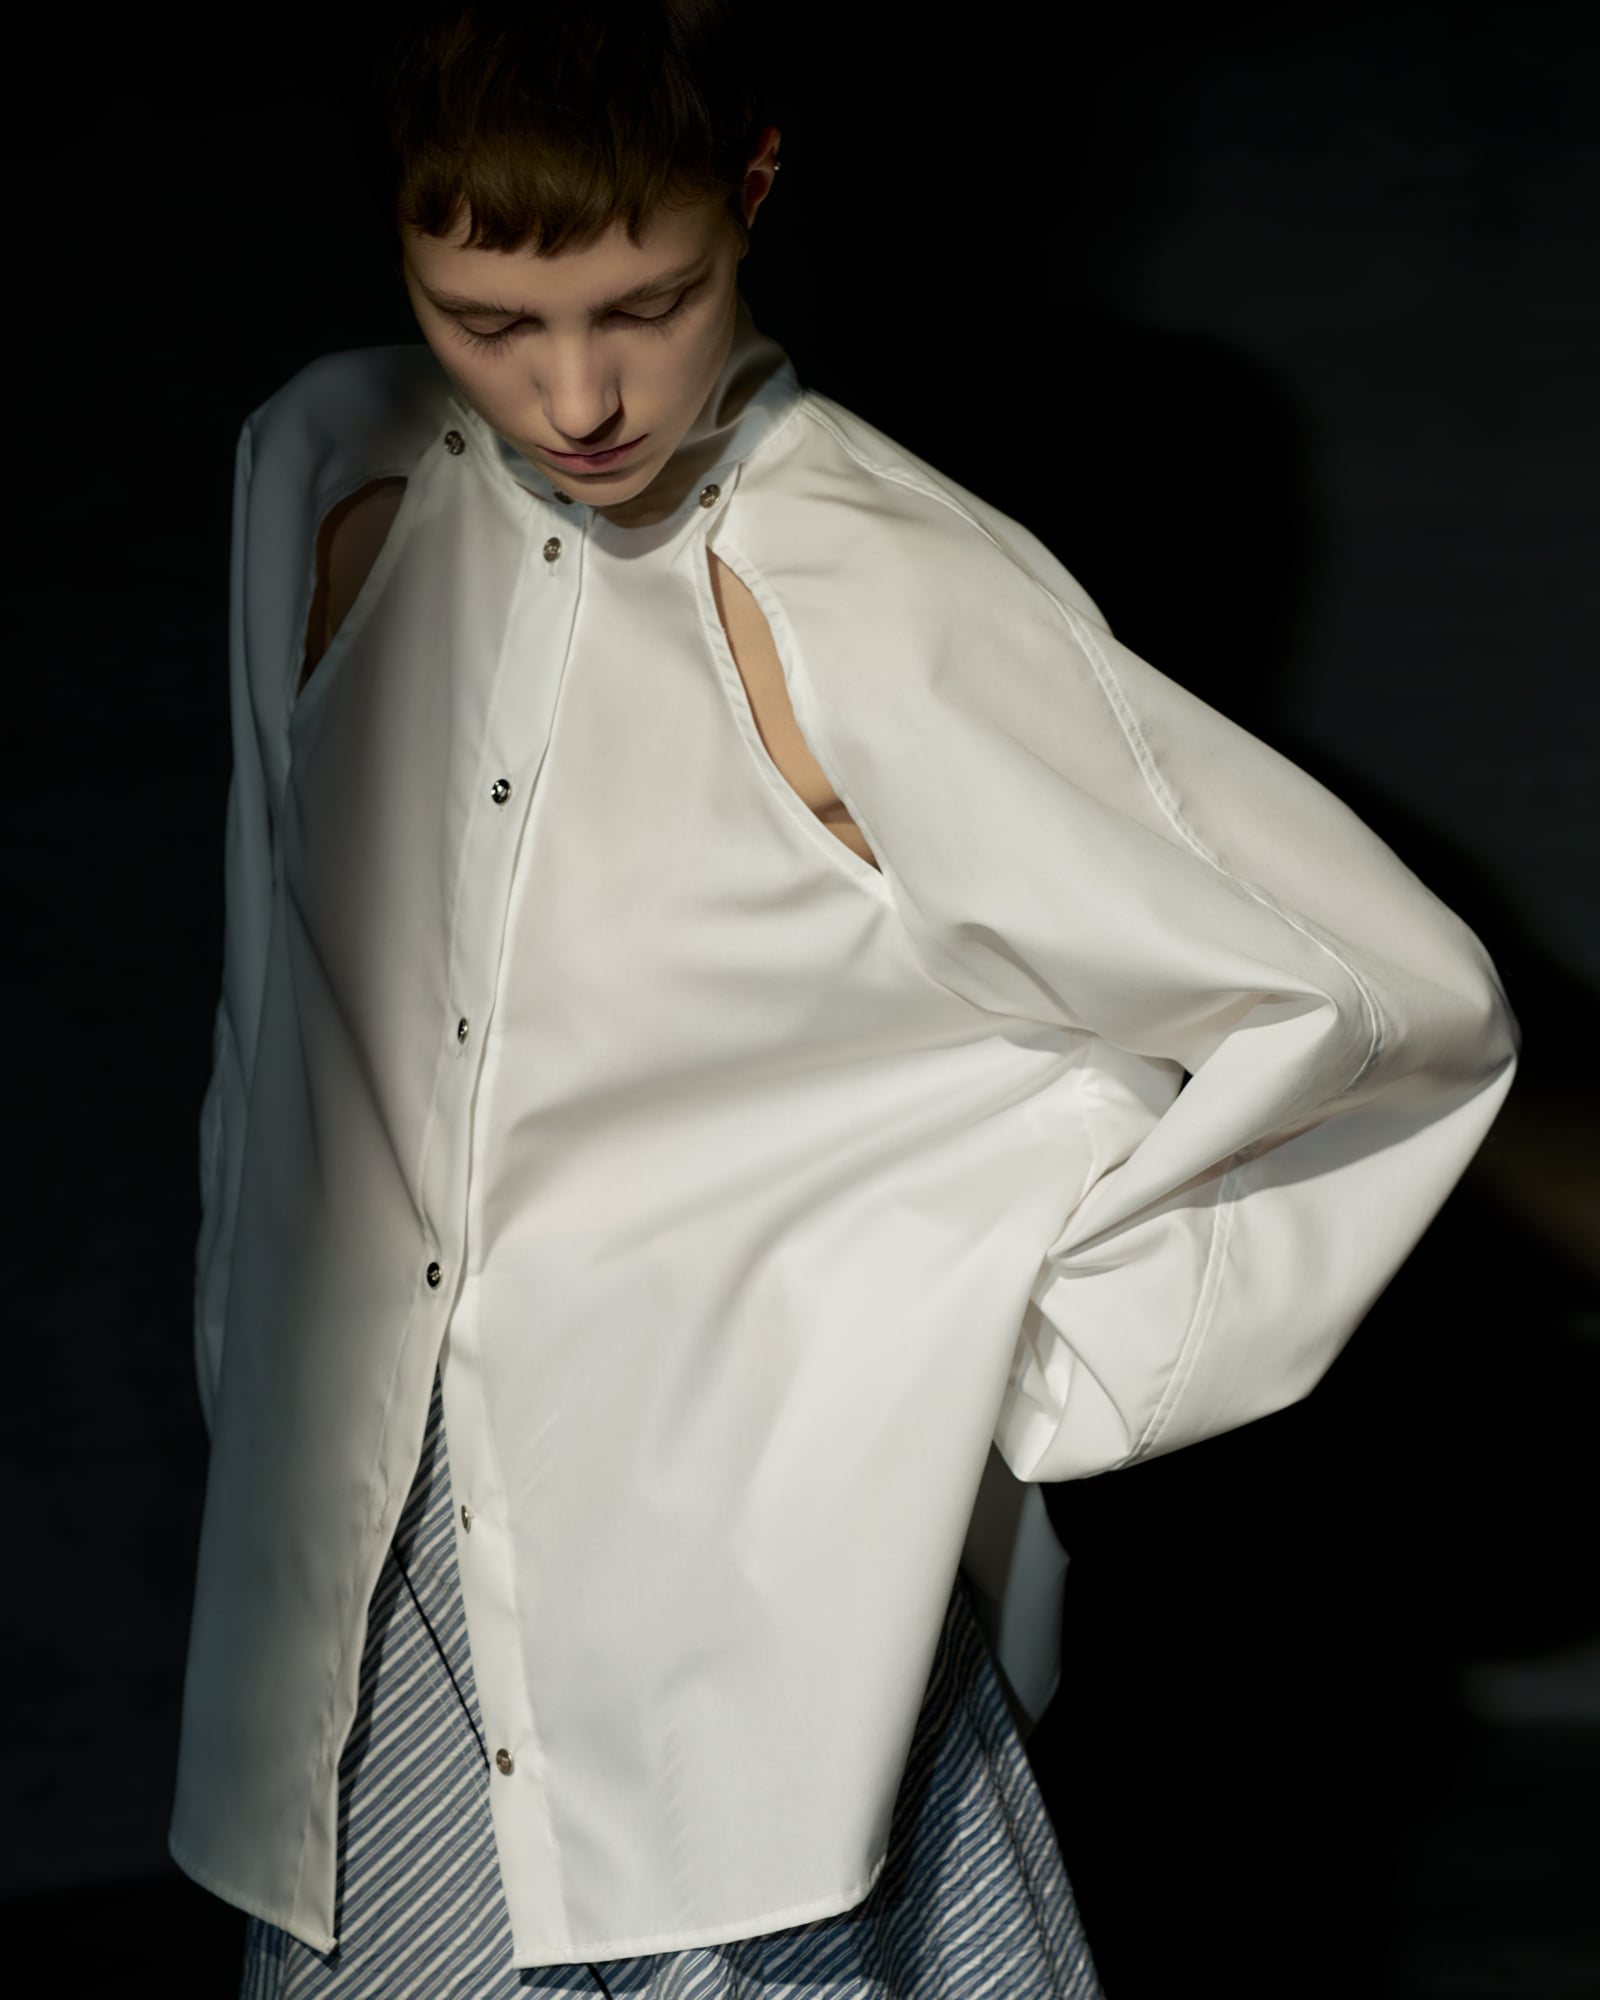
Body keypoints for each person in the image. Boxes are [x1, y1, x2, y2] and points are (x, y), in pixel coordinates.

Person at [167, 2, 1520, 1994]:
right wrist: (259, 1374)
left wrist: (989, 1373)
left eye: (648, 304)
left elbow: (1383, 1012)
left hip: (753, 1619)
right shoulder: (315, 469)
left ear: (753, 191)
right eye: (487, 318)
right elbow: (273, 1011)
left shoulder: (876, 580)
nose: (577, 396)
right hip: (368, 1577)